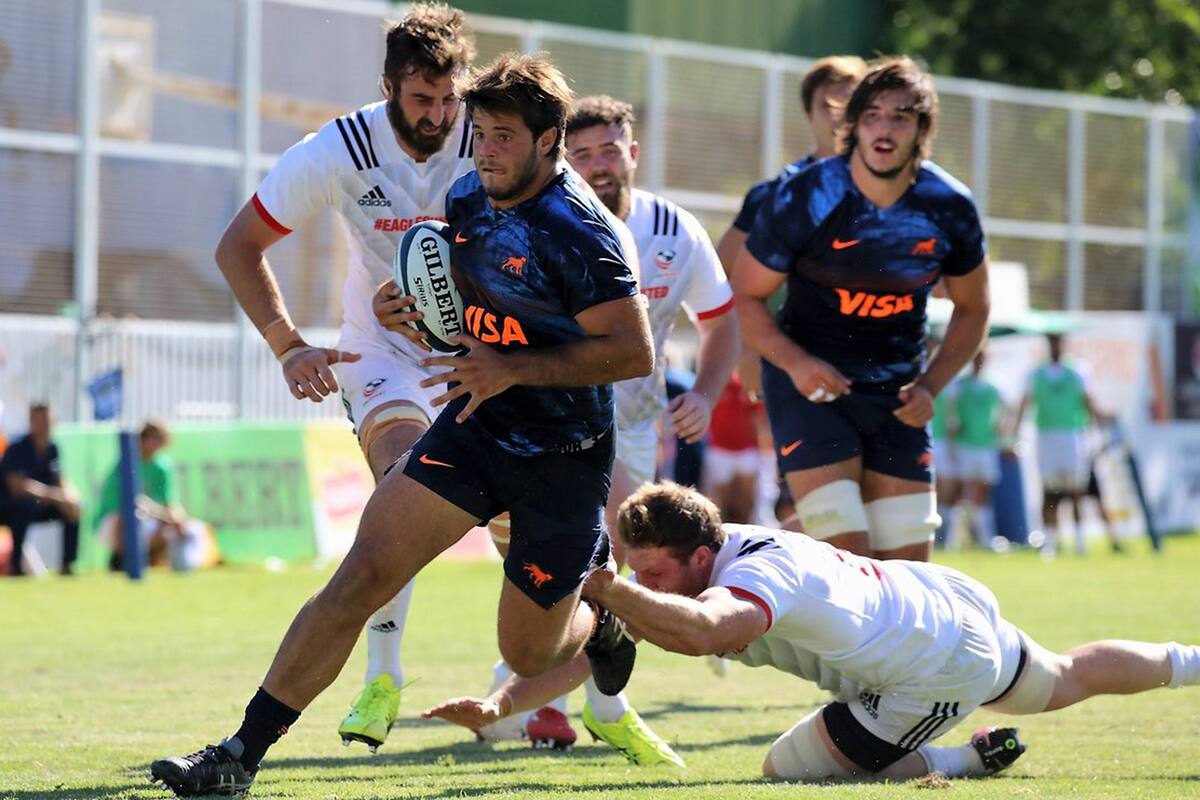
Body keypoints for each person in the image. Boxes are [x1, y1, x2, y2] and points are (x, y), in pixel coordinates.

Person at [149, 52, 654, 798]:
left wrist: (514, 367)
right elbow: (435, 276)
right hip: (474, 427)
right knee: (361, 573)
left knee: (529, 652)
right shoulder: (469, 195)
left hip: (562, 459)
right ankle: (237, 755)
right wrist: (399, 301)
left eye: (502, 137)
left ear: (549, 141)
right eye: (478, 133)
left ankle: (602, 622)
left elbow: (632, 352)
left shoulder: (583, 230)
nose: (483, 150)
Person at [425, 481, 1200, 783]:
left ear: (700, 556)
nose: (641, 586)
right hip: (939, 606)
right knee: (1063, 677)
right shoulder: (710, 545)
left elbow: (697, 633)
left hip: (932, 666)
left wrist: (599, 584)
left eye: (653, 574)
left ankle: (962, 758)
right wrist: (505, 705)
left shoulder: (750, 581)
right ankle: (1192, 661)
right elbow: (614, 642)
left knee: (786, 772)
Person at [211, 3, 476, 751]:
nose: (438, 115)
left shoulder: (490, 133)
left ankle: (579, 659)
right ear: (388, 85)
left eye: (450, 99)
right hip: (379, 351)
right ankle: (382, 677)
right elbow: (239, 244)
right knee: (406, 482)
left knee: (534, 532)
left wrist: (460, 298)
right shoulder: (338, 148)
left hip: (486, 349)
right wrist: (289, 346)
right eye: (422, 99)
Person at [471, 93, 739, 762]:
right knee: (595, 556)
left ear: (633, 153)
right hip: (559, 422)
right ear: (561, 156)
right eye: (581, 153)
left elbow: (724, 319)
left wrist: (705, 392)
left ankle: (533, 696)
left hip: (640, 426)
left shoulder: (676, 231)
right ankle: (575, 706)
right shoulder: (545, 224)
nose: (597, 165)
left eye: (609, 150)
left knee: (614, 570)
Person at [732, 56, 991, 562]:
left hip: (898, 395)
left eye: (900, 116)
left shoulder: (949, 206)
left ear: (922, 129)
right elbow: (744, 294)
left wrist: (932, 385)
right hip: (813, 388)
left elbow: (974, 307)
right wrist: (794, 362)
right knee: (848, 557)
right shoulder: (805, 194)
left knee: (907, 575)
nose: (884, 128)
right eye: (872, 114)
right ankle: (767, 582)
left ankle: (773, 565)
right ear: (852, 125)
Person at [714, 55, 867, 397]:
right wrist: (750, 347)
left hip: (879, 366)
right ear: (809, 115)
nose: (841, 116)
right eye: (829, 105)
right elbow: (718, 273)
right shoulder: (776, 193)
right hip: (797, 366)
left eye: (851, 103)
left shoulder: (900, 193)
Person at [1014, 333, 1107, 557]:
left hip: (1072, 436)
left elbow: (1088, 402)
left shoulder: (1078, 371)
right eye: (1051, 342)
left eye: (1058, 341)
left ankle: (1079, 540)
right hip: (1046, 436)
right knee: (1050, 490)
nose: (1055, 346)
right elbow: (1025, 404)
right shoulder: (1035, 373)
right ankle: (1050, 541)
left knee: (1076, 489)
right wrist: (1013, 436)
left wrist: (1099, 431)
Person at [96, 421, 217, 572]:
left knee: (171, 526)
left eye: (159, 439)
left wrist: (179, 521)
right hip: (113, 521)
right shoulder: (126, 463)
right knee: (130, 516)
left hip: (146, 517)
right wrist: (163, 514)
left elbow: (169, 503)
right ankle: (121, 560)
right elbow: (131, 502)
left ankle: (145, 559)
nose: (155, 444)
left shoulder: (162, 467)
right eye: (151, 438)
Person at [0, 403, 80, 576]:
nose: (45, 424)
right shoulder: (17, 448)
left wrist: (70, 497)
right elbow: (17, 486)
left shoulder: (52, 449)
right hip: (8, 507)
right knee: (23, 508)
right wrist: (55, 496)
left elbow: (59, 478)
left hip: (39, 504)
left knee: (72, 508)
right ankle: (16, 566)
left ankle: (68, 564)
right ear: (31, 422)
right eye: (40, 420)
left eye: (48, 420)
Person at [948, 351, 1005, 549]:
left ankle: (983, 538)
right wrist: (952, 443)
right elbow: (951, 416)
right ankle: (954, 539)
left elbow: (1003, 413)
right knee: (965, 491)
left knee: (982, 492)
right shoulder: (960, 386)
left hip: (986, 445)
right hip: (965, 445)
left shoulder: (993, 386)